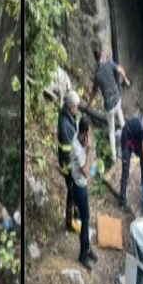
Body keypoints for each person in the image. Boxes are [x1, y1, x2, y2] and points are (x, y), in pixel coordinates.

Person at [91, 46, 130, 166]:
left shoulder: (97, 75)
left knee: (112, 131)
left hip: (109, 106)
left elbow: (93, 92)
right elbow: (120, 70)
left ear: (95, 59)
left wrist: (88, 104)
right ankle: (128, 145)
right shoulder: (109, 63)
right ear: (102, 55)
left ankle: (114, 157)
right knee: (123, 123)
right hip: (117, 100)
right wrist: (126, 79)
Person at [71, 119, 97, 270]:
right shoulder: (77, 148)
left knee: (86, 218)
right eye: (88, 132)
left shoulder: (79, 138)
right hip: (80, 186)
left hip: (82, 185)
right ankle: (82, 254)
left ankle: (87, 249)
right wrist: (88, 152)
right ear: (84, 134)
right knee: (85, 220)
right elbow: (85, 172)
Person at [58, 91, 81, 232]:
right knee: (71, 192)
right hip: (68, 167)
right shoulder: (64, 126)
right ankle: (69, 221)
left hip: (70, 164)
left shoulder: (67, 116)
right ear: (71, 107)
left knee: (75, 191)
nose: (77, 109)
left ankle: (74, 211)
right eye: (76, 107)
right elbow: (67, 152)